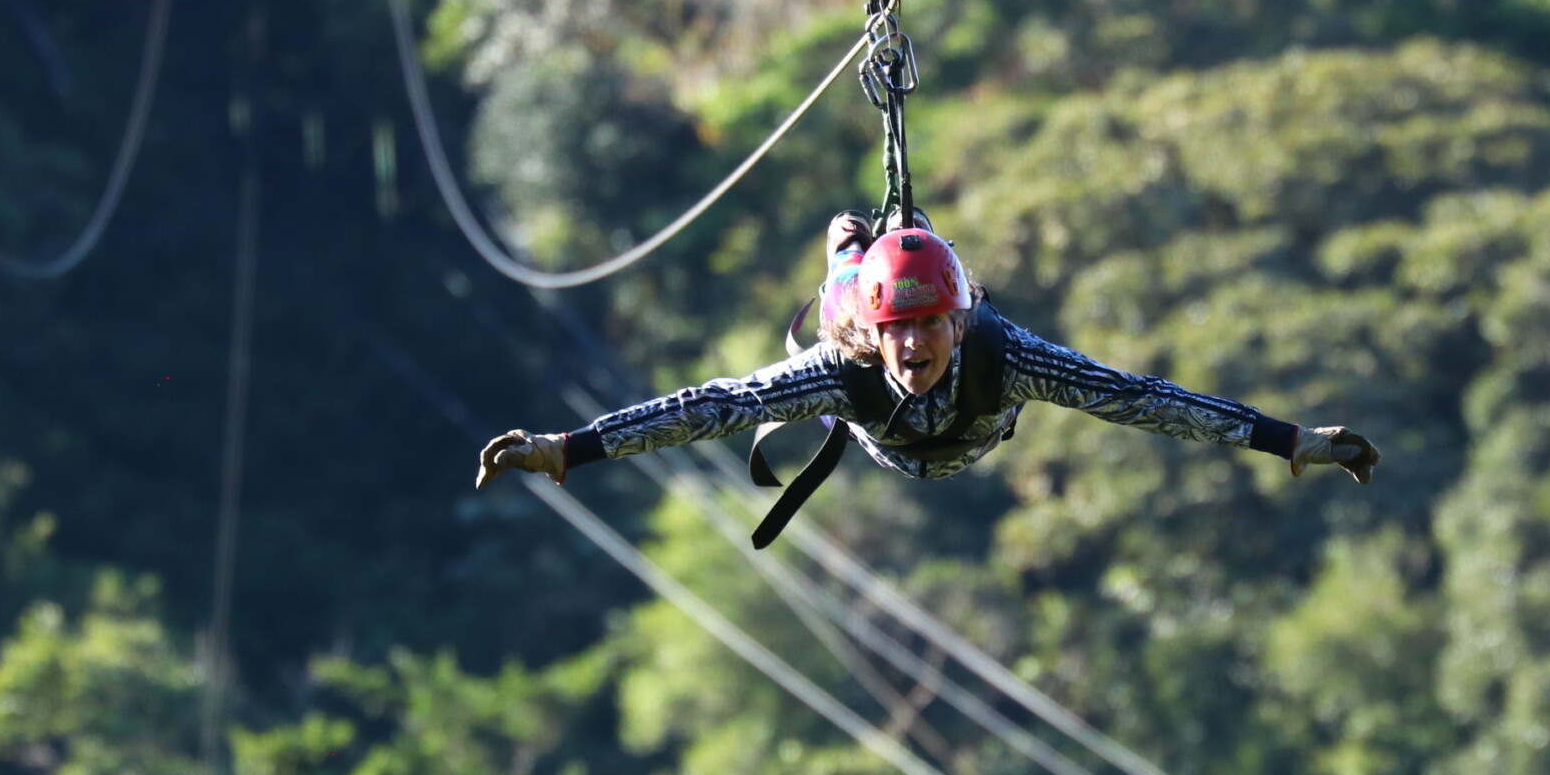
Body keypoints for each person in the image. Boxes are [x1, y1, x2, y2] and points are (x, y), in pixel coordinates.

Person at [477, 214, 1379, 510]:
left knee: (862, 297)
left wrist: (1291, 441)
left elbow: (1144, 400)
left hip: (973, 435)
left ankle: (853, 257)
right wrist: (569, 448)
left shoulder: (1007, 356)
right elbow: (708, 406)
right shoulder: (847, 364)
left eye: (929, 331)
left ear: (957, 318)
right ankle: (847, 263)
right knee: (833, 308)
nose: (913, 349)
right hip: (885, 436)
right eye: (899, 334)